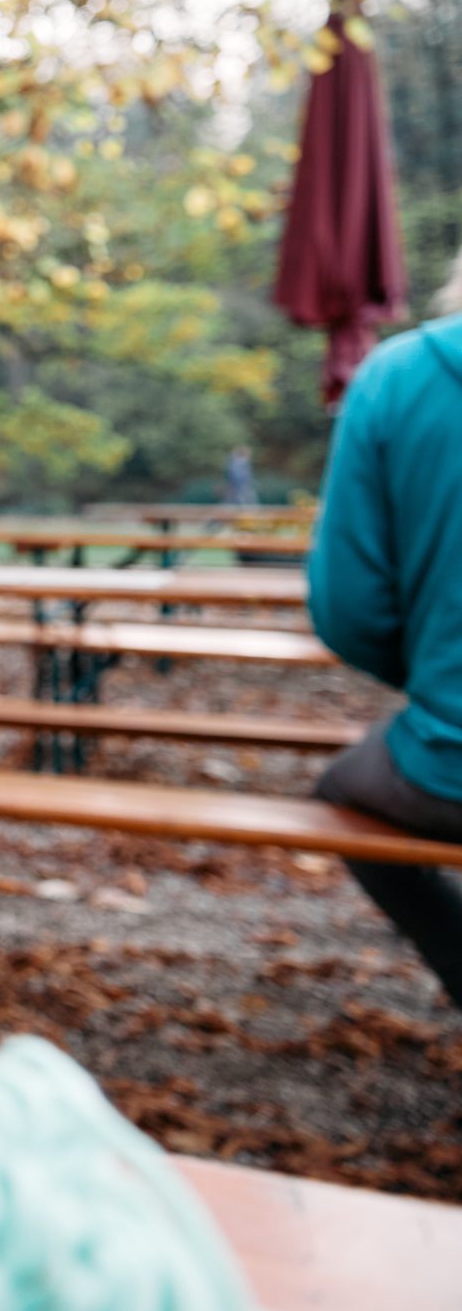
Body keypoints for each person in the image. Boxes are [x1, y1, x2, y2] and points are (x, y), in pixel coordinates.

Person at [309, 251, 462, 1005]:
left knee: (343, 794)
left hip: (450, 766)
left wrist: (436, 673)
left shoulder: (399, 377)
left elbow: (348, 612)